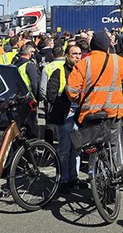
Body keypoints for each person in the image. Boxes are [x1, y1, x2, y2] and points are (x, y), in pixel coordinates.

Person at [66, 32, 123, 170]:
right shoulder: (117, 60)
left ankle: (96, 168)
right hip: (113, 111)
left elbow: (71, 90)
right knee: (115, 142)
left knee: (93, 144)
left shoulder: (84, 63)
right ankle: (118, 170)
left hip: (90, 113)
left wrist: (80, 100)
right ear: (108, 47)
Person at [45, 43, 83, 190]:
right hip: (65, 116)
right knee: (64, 150)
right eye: (74, 54)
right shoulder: (59, 72)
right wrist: (65, 109)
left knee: (77, 149)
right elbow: (51, 94)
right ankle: (63, 180)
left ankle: (74, 178)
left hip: (79, 116)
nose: (77, 57)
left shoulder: (83, 71)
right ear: (67, 55)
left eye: (79, 54)